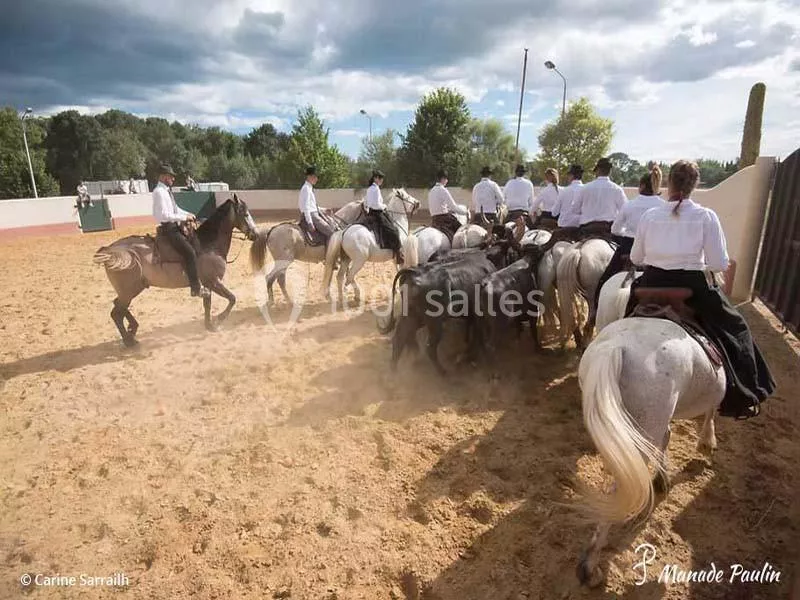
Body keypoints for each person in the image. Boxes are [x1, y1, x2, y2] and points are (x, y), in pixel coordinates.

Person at [625, 159, 775, 419]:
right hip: (692, 287)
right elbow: (718, 264)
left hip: (651, 283)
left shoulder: (650, 216)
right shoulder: (706, 216)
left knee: (624, 315)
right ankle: (744, 394)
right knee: (737, 327)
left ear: (669, 182)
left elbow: (636, 257)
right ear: (695, 185)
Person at [588, 164, 665, 325]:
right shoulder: (663, 206)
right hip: (655, 251)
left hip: (629, 247)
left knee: (604, 280)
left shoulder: (630, 204)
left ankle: (595, 312)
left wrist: (627, 231)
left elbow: (615, 229)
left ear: (641, 186)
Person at [152, 163, 209, 298]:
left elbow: (175, 209)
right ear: (163, 176)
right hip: (169, 229)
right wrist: (184, 217)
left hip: (174, 226)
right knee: (190, 253)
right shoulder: (159, 192)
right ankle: (195, 288)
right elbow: (164, 215)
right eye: (170, 176)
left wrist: (188, 214)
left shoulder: (165, 191)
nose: (173, 179)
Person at [535, 164, 585, 254]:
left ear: (571, 176)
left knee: (542, 250)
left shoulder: (565, 190)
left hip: (564, 227)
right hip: (582, 228)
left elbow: (554, 213)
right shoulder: (587, 189)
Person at [571, 156, 627, 237]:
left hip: (587, 229)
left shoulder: (585, 188)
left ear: (597, 171)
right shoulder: (617, 189)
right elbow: (624, 210)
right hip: (608, 229)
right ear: (610, 171)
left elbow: (574, 210)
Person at [365, 169, 403, 264]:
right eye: (380, 178)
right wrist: (384, 206)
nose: (382, 180)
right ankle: (398, 254)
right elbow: (376, 205)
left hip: (370, 213)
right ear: (375, 178)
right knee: (394, 230)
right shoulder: (376, 189)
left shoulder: (369, 189)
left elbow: (367, 203)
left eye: (382, 179)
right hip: (377, 213)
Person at [298, 165, 336, 247]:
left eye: (316, 177)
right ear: (309, 177)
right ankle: (330, 254)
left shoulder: (309, 188)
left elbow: (312, 206)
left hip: (314, 213)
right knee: (331, 232)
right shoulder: (306, 189)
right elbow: (306, 207)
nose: (316, 179)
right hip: (312, 216)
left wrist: (324, 210)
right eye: (314, 177)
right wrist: (310, 222)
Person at [429, 169, 468, 243]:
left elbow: (439, 207)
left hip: (434, 220)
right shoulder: (443, 190)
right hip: (444, 219)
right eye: (446, 179)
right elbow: (453, 207)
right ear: (443, 179)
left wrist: (447, 210)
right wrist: (465, 212)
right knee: (462, 232)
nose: (447, 181)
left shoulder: (431, 191)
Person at [503, 164, 535, 229]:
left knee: (501, 230)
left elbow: (503, 197)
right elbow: (531, 202)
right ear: (524, 173)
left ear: (516, 173)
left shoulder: (509, 183)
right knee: (533, 230)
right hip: (523, 214)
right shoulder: (529, 183)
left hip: (511, 214)